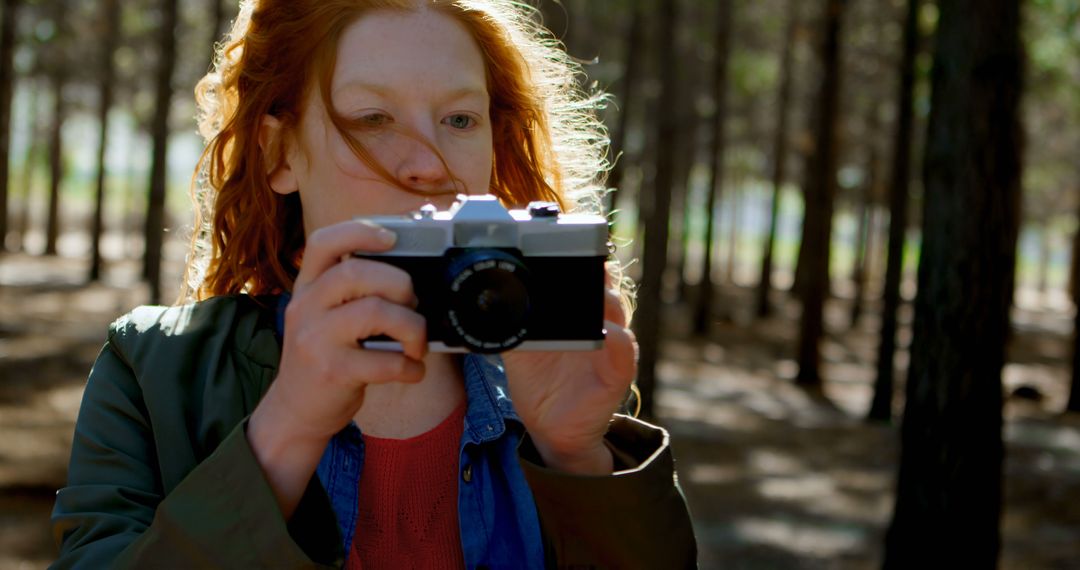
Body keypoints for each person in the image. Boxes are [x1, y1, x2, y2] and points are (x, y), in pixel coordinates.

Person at [50, 0, 698, 567]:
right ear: (280, 153)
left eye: (460, 120)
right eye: (371, 118)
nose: (428, 165)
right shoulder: (152, 371)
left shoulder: (547, 374)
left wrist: (578, 461)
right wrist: (287, 427)